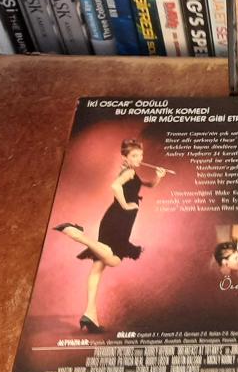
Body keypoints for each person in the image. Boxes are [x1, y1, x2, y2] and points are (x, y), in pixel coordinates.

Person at [53, 139, 165, 333]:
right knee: (114, 261)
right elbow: (115, 186)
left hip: (112, 219)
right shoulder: (128, 172)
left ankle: (90, 315)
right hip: (119, 220)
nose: (139, 159)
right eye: (134, 156)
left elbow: (148, 185)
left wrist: (158, 177)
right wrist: (125, 205)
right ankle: (78, 235)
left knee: (98, 267)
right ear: (125, 157)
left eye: (140, 155)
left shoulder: (131, 173)